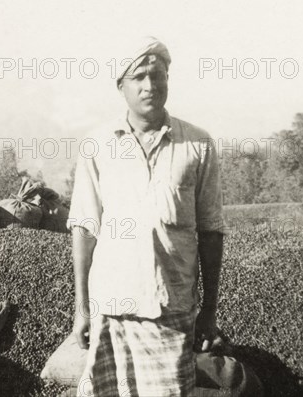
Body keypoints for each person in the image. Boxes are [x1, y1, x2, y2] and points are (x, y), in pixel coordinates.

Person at [67, 37, 228, 396]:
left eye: (158, 75)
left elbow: (211, 230)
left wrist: (210, 310)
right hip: (111, 306)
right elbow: (85, 228)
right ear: (120, 86)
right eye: (138, 76)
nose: (150, 86)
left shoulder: (197, 145)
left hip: (169, 308)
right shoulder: (98, 146)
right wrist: (82, 310)